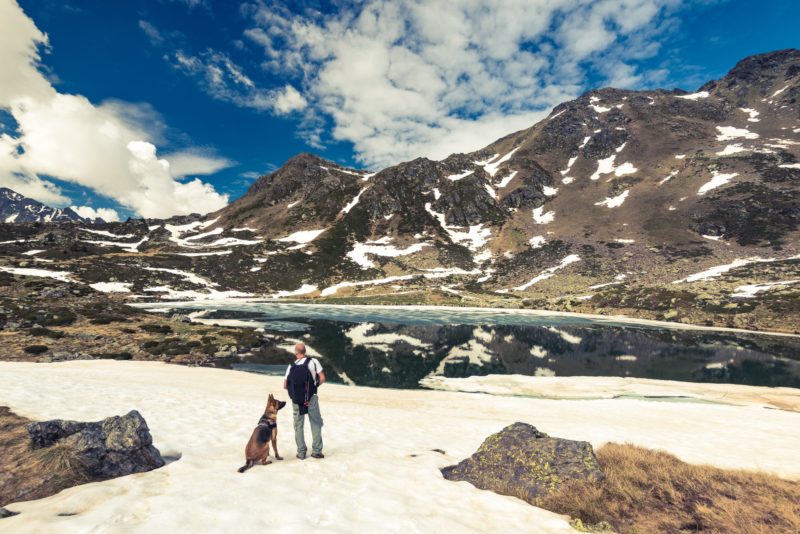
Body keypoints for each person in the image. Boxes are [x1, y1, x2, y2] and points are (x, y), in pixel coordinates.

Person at [284, 342, 326, 459]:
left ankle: (301, 452)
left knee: (298, 425)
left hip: (297, 400)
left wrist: (295, 393)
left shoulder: (291, 366)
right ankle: (317, 451)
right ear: (305, 351)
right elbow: (322, 378)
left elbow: (285, 385)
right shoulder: (313, 362)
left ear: (296, 353)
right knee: (315, 422)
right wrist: (314, 386)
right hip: (311, 397)